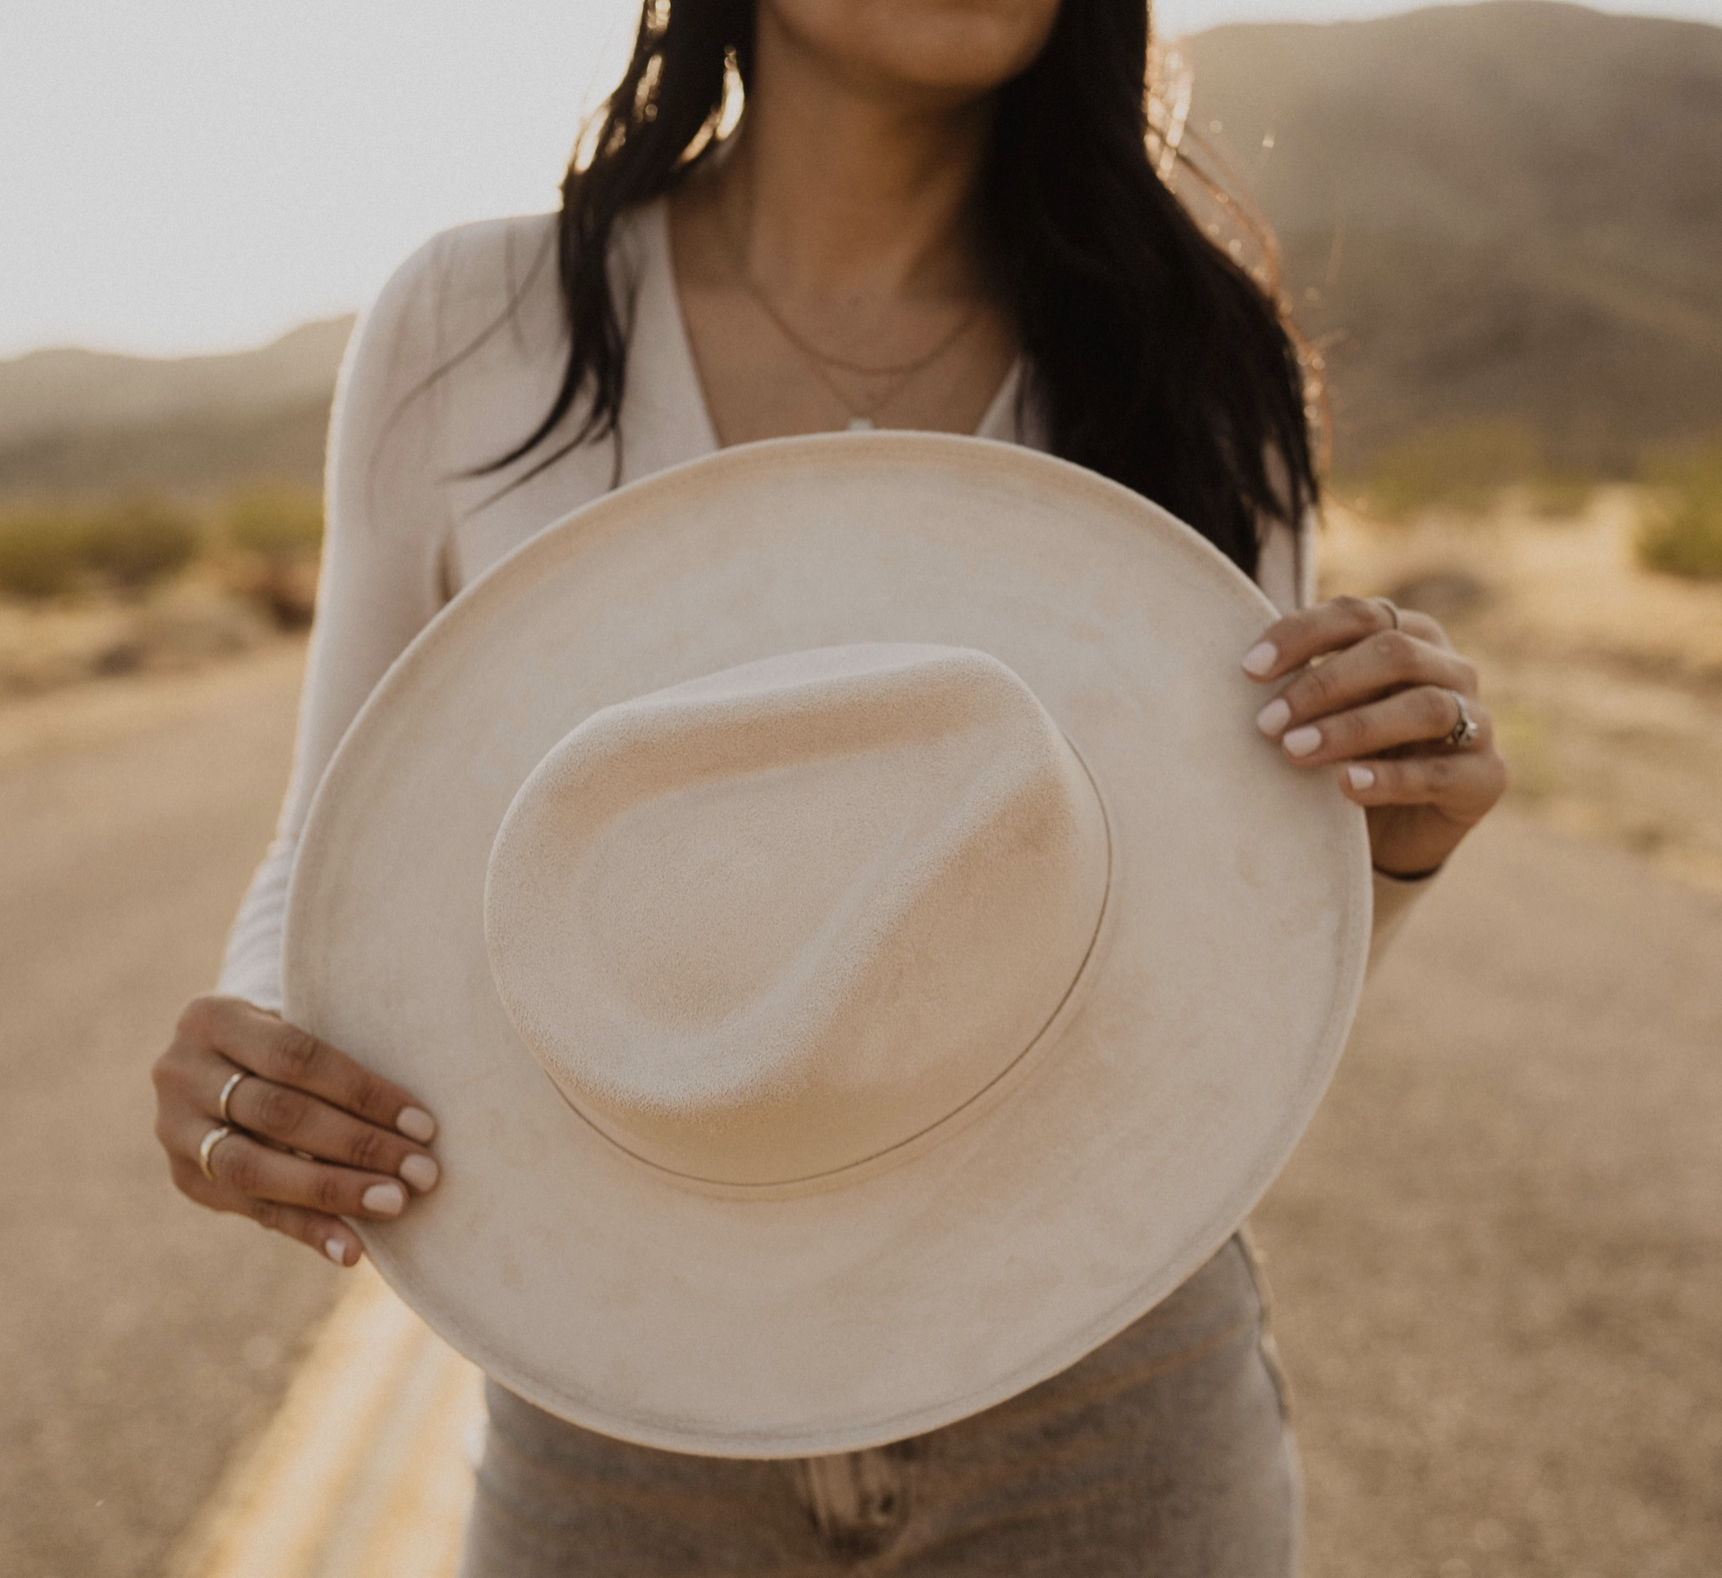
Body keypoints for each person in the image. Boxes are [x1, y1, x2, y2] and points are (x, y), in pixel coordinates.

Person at [151, 0, 1507, 1570]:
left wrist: (1382, 860)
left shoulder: (1189, 351)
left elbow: (1227, 969)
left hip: (1104, 1381)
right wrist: (258, 1059)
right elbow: (335, 841)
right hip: (619, 1400)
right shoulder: (477, 320)